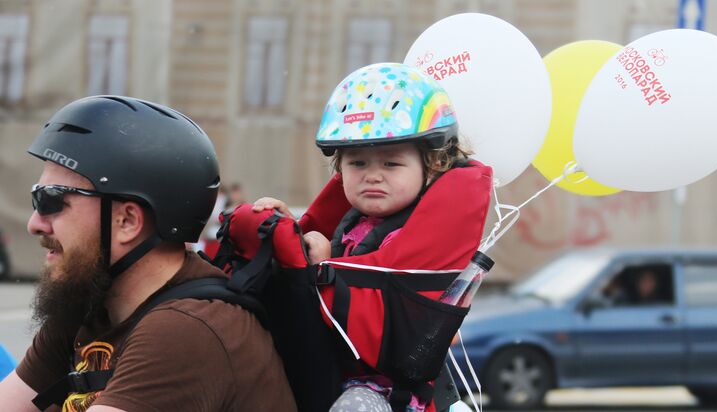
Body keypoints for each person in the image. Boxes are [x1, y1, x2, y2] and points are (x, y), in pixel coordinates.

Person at [0, 96, 297, 411]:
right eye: (37, 199)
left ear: (127, 221)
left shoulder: (186, 330)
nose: (35, 224)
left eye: (52, 200)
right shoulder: (87, 303)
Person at [249, 63, 492, 412]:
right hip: (328, 363)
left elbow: (380, 279)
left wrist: (322, 262)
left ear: (433, 165)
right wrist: (287, 229)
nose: (373, 176)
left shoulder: (413, 233)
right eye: (358, 163)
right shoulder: (352, 222)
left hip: (382, 386)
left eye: (391, 164)